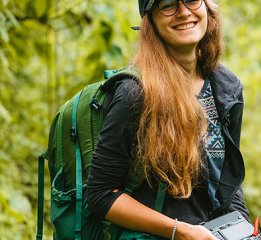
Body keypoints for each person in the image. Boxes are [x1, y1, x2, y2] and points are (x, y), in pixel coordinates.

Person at [87, 0, 249, 239]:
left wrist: (244, 229)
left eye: (192, 0)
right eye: (168, 5)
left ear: (207, 7)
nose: (184, 12)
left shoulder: (226, 87)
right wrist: (180, 231)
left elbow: (227, 182)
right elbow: (101, 193)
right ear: (150, 20)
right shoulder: (136, 93)